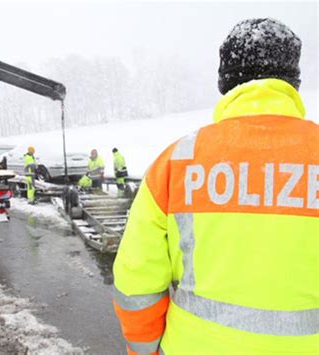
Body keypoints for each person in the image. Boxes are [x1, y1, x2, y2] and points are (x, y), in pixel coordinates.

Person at [113, 18, 318, 355]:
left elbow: (137, 280)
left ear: (226, 81)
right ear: (293, 81)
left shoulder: (178, 160)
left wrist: (144, 348)